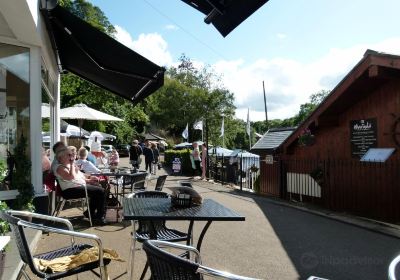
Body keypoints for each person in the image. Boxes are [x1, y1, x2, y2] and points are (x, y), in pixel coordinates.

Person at [54, 147, 106, 224]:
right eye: (68, 155)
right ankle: (99, 217)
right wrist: (72, 165)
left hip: (77, 187)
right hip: (69, 191)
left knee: (98, 188)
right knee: (100, 191)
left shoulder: (69, 165)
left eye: (71, 154)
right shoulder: (60, 167)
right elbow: (70, 177)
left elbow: (80, 175)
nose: (71, 156)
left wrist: (90, 178)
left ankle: (90, 213)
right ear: (61, 157)